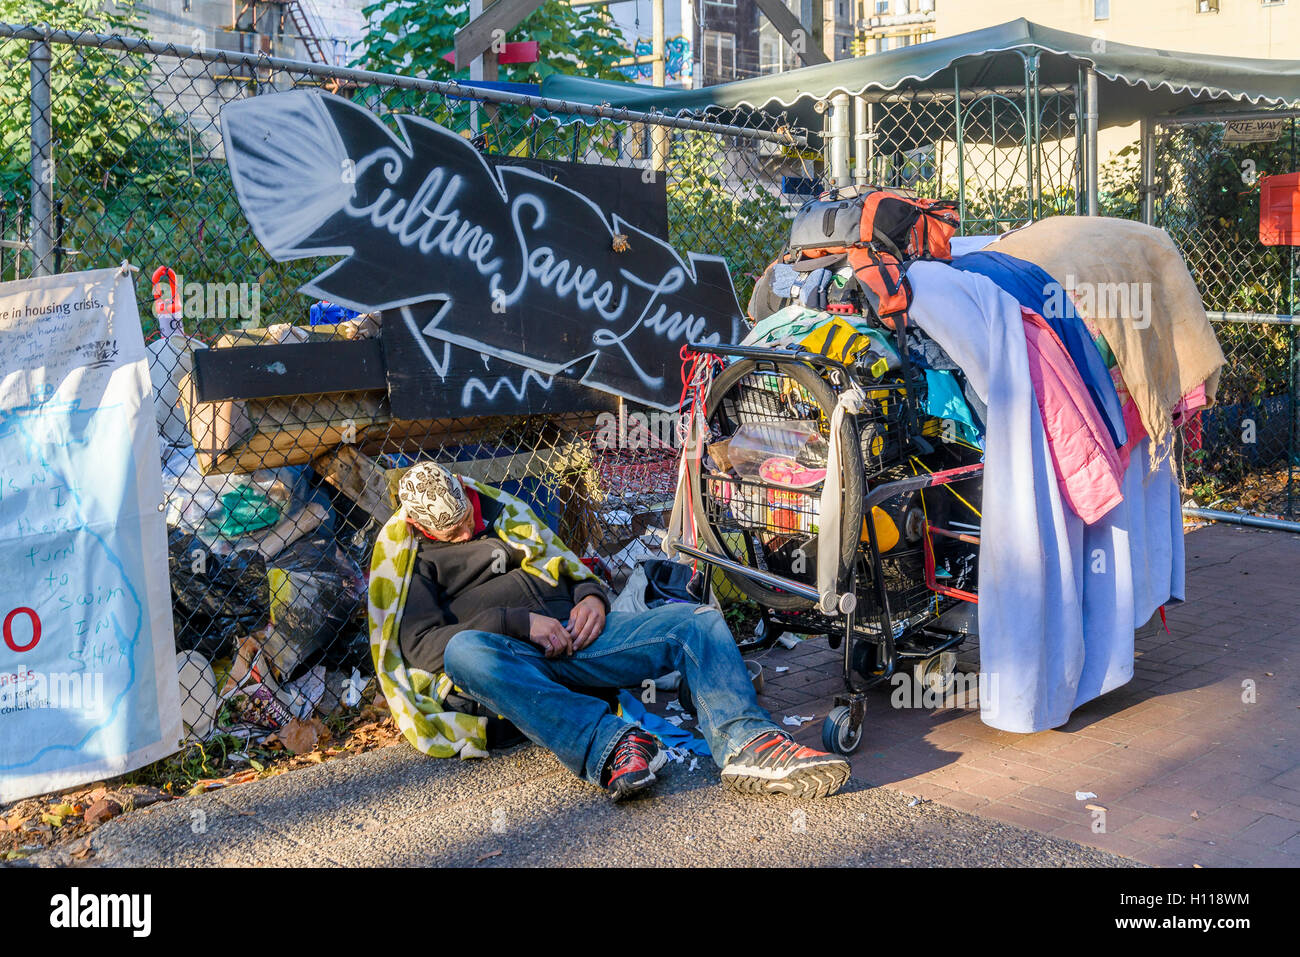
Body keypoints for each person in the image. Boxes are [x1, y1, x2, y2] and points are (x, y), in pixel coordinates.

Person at [394, 462, 851, 803]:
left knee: (698, 621)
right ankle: (612, 744)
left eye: (469, 517)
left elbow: (570, 569)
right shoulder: (415, 564)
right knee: (463, 652)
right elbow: (422, 647)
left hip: (582, 639)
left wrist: (590, 597)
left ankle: (748, 745)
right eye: (453, 532)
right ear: (419, 527)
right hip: (514, 663)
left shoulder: (503, 517)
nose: (468, 531)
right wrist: (518, 624)